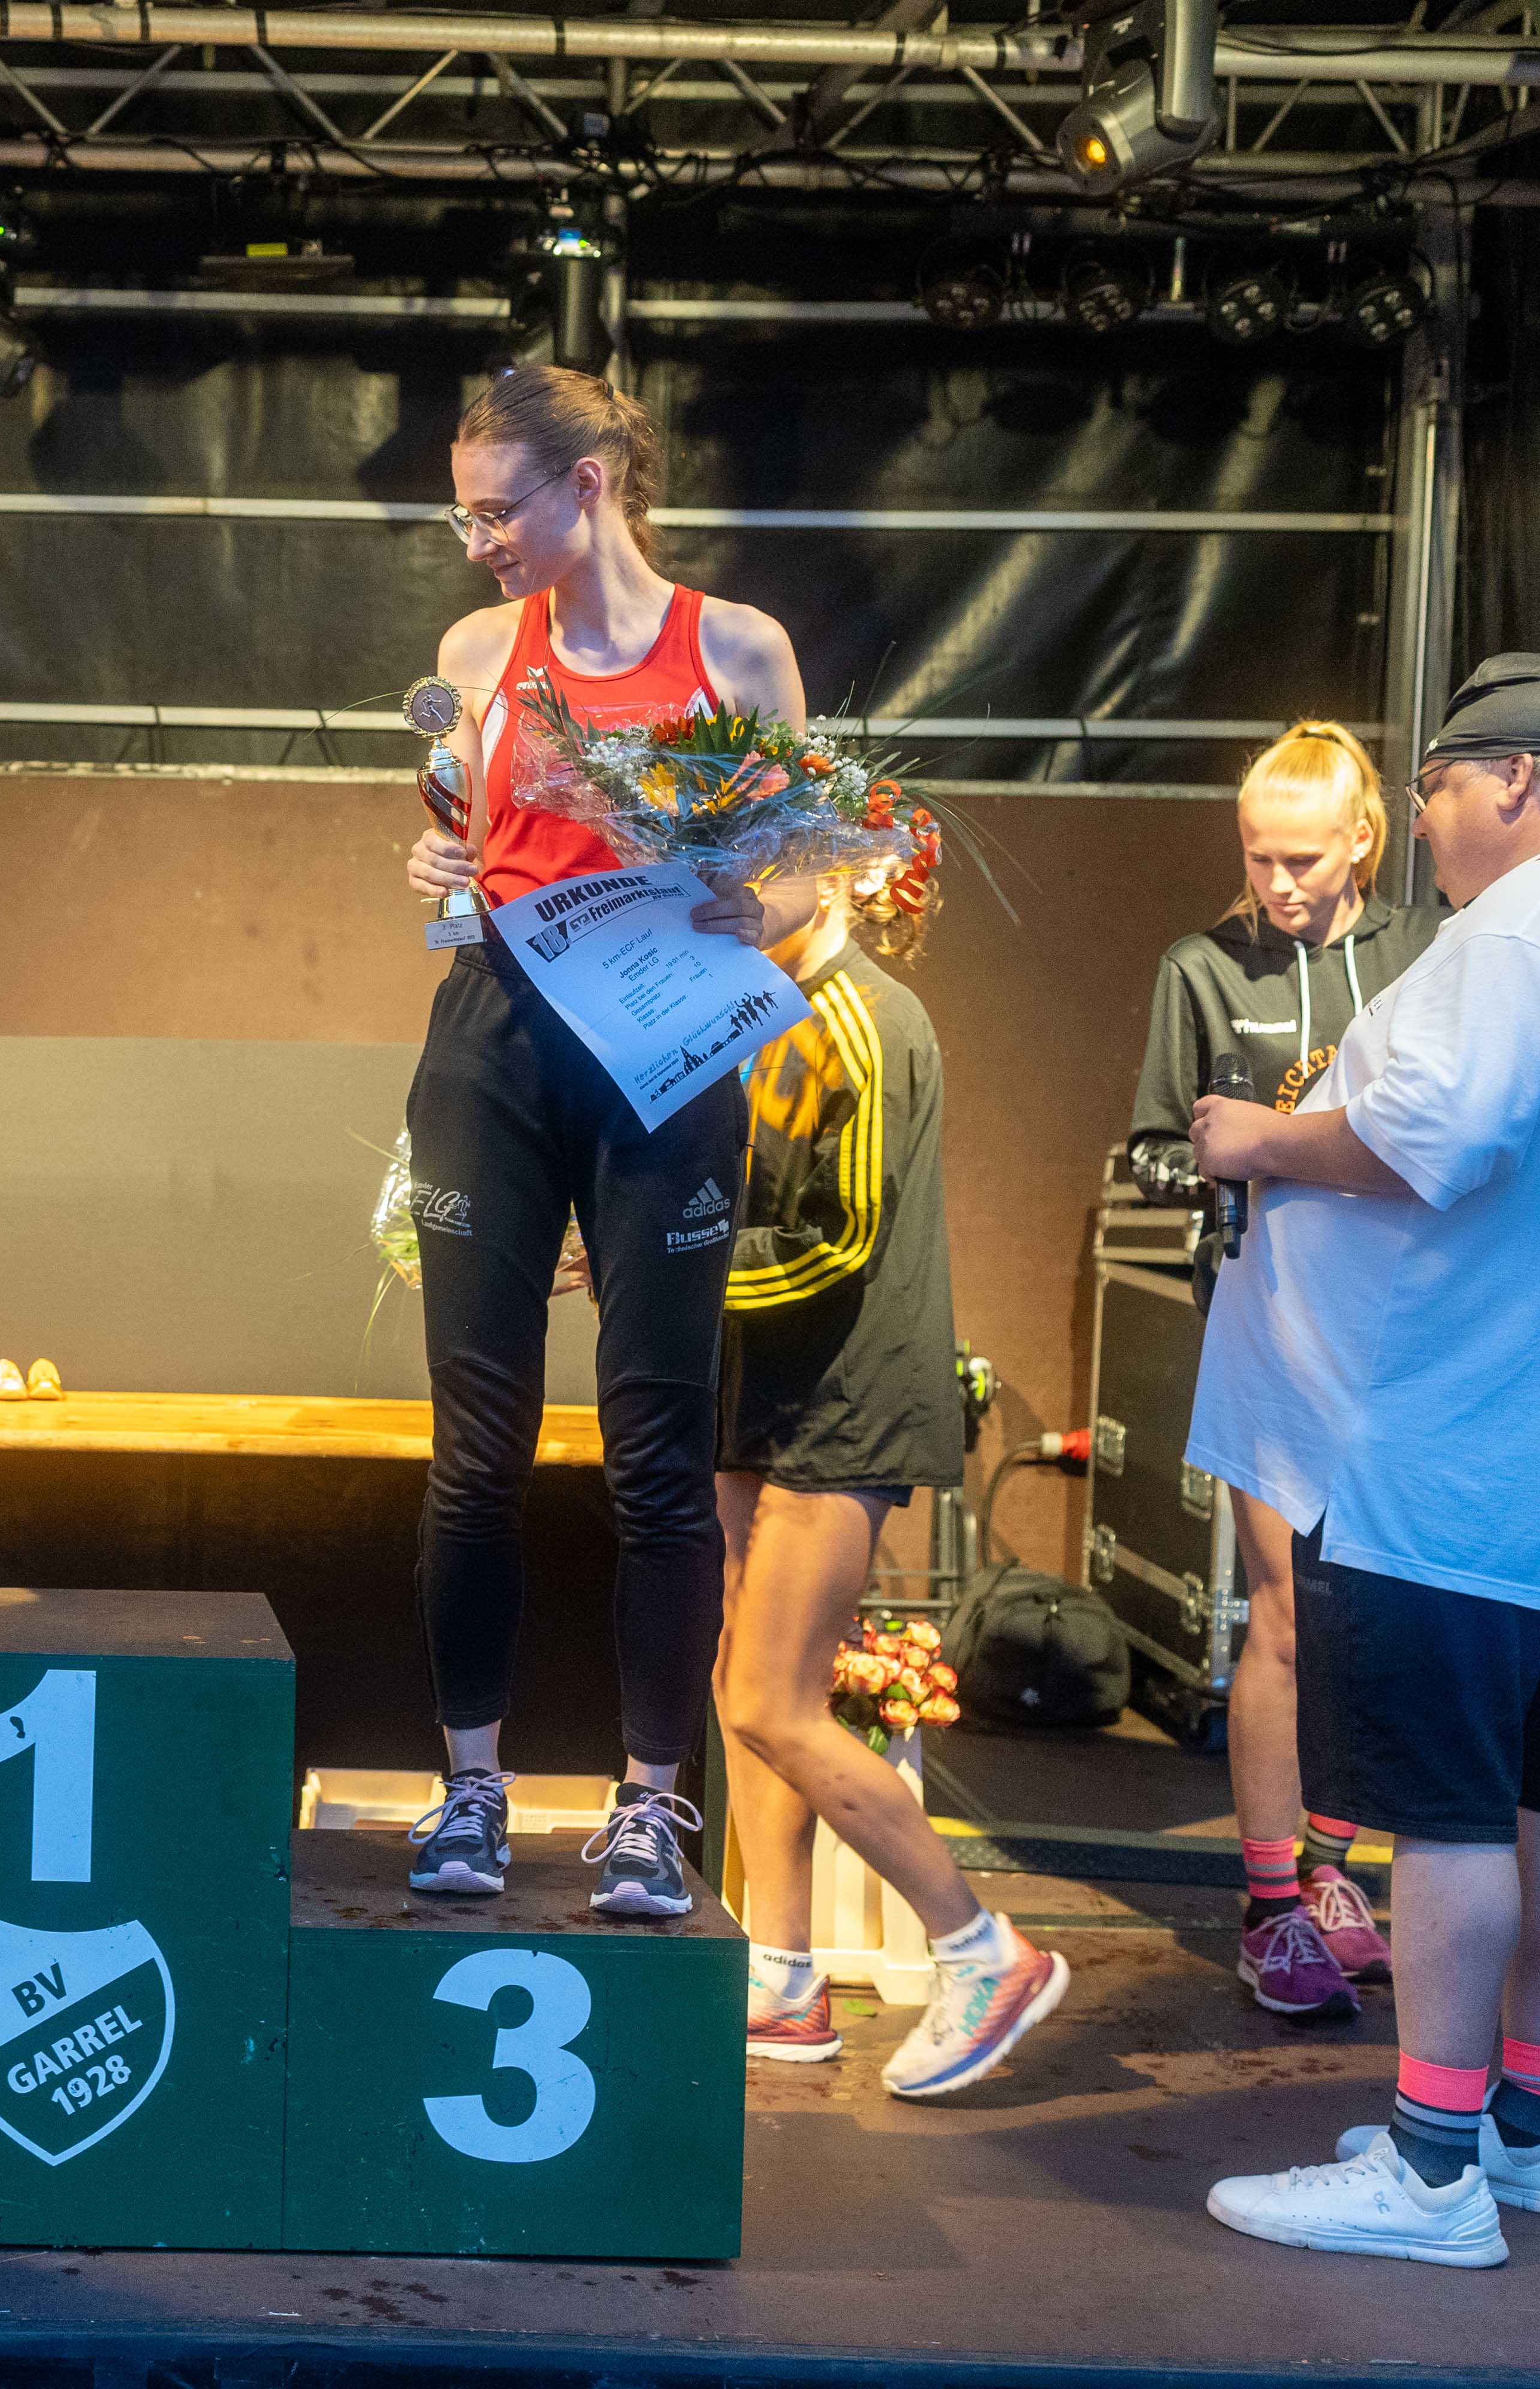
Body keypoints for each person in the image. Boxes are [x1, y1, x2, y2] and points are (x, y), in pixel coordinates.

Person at [1189, 655, 1540, 2267]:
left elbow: (1432, 1137)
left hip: (1448, 1464)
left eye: (1429, 789)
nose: (1421, 823)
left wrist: (1259, 1137)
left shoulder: (1532, 922)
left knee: (1446, 1823)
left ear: (1512, 779)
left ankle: (1431, 2166)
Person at [394, 364, 812, 1917]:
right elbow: (458, 838)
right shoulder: (475, 653)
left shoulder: (738, 649)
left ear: (589, 483)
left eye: (496, 511)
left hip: (663, 1054)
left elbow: (805, 876)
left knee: (658, 1453)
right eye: (464, 515)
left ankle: (649, 1806)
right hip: (495, 1046)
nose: (478, 542)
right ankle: (471, 1790)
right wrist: (436, 859)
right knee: (475, 1449)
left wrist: (759, 906)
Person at [713, 875, 1069, 2097]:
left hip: (841, 1398)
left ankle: (982, 1949)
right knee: (744, 1685)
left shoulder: (865, 1016)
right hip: (757, 1392)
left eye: (757, 859)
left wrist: (668, 1266)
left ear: (831, 868)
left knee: (773, 1701)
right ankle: (781, 1975)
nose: (724, 884)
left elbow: (840, 1238)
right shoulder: (753, 1009)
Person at [1126, 723, 1443, 2020]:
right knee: (1287, 1613)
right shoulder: (1204, 966)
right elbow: (1151, 1148)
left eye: (1303, 858)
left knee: (1375, 1624)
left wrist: (1289, 1145)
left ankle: (1333, 1877)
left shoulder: (1432, 949)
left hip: (1407, 1335)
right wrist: (1230, 1162)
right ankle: (1271, 1912)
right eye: (1259, 856)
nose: (1278, 883)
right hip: (1265, 1324)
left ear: (1363, 838)